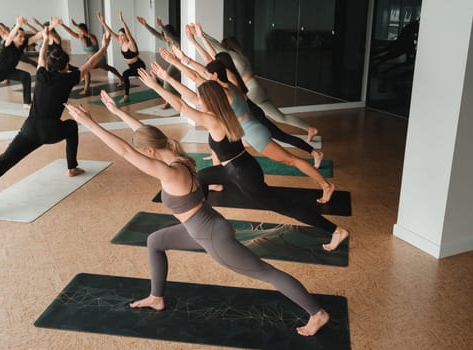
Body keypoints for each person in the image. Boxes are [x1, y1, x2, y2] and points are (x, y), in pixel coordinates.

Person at [63, 89, 330, 337]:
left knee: (267, 272)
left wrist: (90, 123)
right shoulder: (180, 159)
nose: (142, 155)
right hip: (204, 226)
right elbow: (143, 138)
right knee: (155, 241)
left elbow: (125, 150)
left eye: (144, 152)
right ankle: (157, 297)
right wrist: (118, 111)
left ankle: (317, 313)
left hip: (212, 237)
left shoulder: (168, 172)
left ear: (150, 152)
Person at [140, 65, 348, 252]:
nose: (198, 100)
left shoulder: (213, 120)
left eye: (201, 98)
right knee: (200, 177)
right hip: (240, 167)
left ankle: (335, 230)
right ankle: (201, 224)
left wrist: (157, 85)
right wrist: (167, 76)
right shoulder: (224, 112)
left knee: (285, 206)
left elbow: (182, 106)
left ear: (209, 100)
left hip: (242, 174)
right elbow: (188, 99)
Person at [0, 25, 112, 220]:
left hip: (29, 129)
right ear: (65, 66)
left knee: (3, 162)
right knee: (71, 126)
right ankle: (72, 167)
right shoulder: (69, 78)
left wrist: (45, 39)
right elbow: (90, 63)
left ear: (50, 65)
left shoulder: (42, 75)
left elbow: (41, 58)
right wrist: (104, 47)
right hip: (52, 131)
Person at [160, 46, 335, 203]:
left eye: (209, 74)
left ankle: (326, 186)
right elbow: (201, 74)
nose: (205, 76)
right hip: (251, 128)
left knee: (292, 160)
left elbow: (196, 76)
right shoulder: (232, 86)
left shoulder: (221, 91)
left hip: (253, 133)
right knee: (217, 147)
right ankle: (216, 180)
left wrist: (176, 62)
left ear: (213, 76)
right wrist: (180, 60)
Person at [197, 26, 319, 143]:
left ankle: (246, 140)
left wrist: (202, 35)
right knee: (280, 117)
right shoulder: (242, 57)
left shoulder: (234, 57)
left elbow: (217, 49)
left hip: (251, 89)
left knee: (238, 113)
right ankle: (309, 128)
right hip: (258, 88)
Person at [59, 17, 124, 95]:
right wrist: (62, 24)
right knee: (108, 68)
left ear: (84, 30)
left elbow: (86, 33)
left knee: (87, 70)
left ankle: (86, 89)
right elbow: (70, 31)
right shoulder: (81, 37)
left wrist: (76, 25)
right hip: (91, 59)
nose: (78, 32)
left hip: (98, 59)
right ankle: (121, 78)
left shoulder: (92, 37)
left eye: (79, 30)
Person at [97, 11, 146, 103]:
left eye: (122, 35)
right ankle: (127, 96)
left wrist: (122, 21)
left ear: (126, 36)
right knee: (146, 78)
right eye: (119, 35)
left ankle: (126, 96)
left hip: (139, 66)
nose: (120, 37)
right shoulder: (121, 42)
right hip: (132, 67)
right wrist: (102, 22)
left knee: (126, 74)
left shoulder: (131, 44)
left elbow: (128, 34)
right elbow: (110, 32)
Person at [136, 15, 181, 109]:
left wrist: (162, 26)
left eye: (166, 35)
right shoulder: (168, 41)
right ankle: (169, 100)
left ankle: (170, 100)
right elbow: (156, 34)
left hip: (181, 65)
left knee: (167, 78)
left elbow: (170, 35)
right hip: (174, 64)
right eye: (164, 36)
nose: (164, 37)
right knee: (168, 80)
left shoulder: (177, 41)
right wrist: (145, 25)